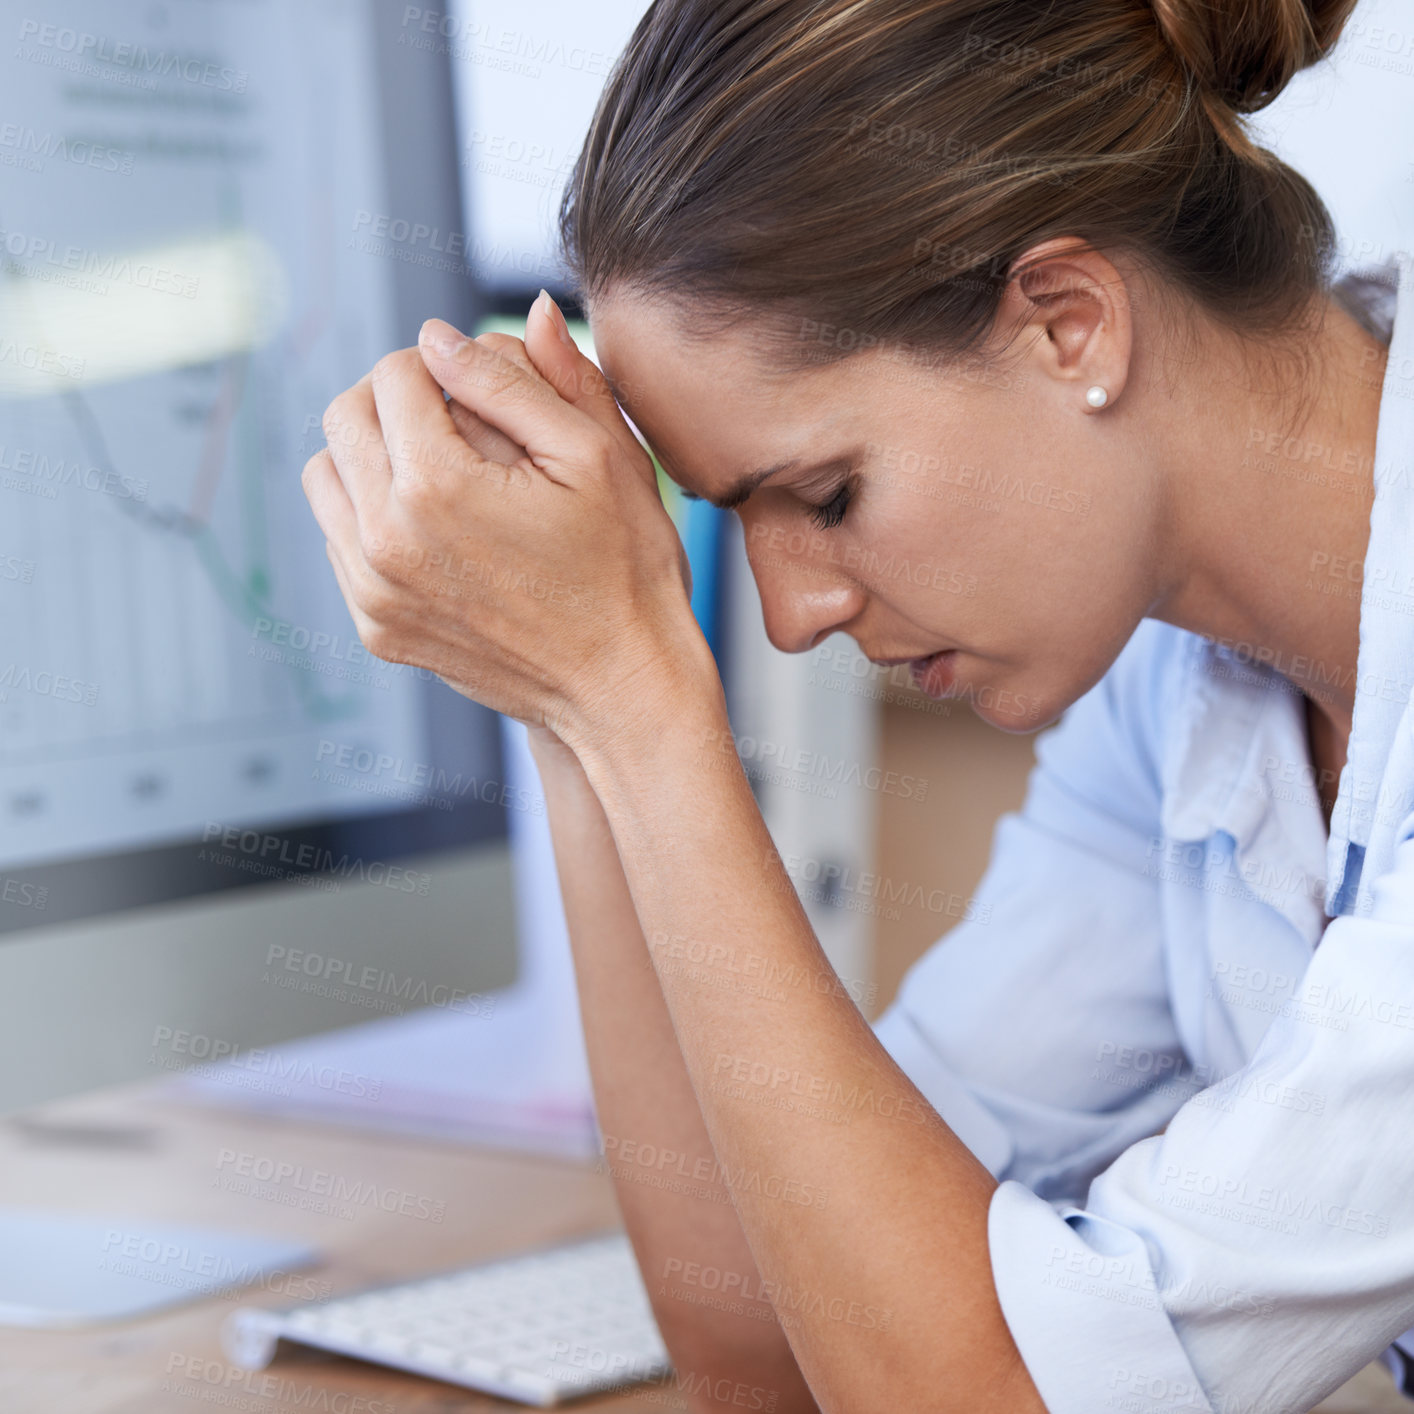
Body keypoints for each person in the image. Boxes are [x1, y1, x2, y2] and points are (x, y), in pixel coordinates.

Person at [300, 0, 1414, 1408]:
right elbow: (769, 1334)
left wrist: (641, 703)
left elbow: (980, 1393)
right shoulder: (1174, 690)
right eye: (737, 517)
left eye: (825, 494)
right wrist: (568, 701)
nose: (790, 610)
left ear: (1067, 324)